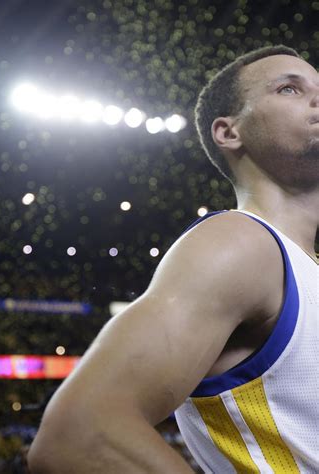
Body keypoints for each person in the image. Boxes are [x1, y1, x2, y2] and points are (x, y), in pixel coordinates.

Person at [28, 45, 319, 473]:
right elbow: (81, 434)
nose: (316, 98)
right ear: (229, 132)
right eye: (289, 89)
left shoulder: (304, 266)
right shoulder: (240, 244)